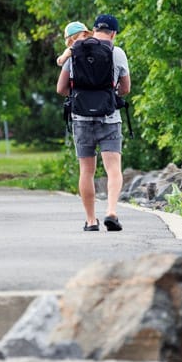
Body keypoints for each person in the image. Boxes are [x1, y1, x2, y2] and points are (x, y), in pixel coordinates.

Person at [57, 13, 130, 232]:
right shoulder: (117, 53)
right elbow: (126, 89)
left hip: (81, 119)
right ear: (114, 33)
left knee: (86, 171)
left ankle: (91, 221)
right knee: (113, 169)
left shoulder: (75, 51)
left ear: (95, 29)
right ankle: (111, 212)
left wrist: (81, 93)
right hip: (109, 119)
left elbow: (61, 89)